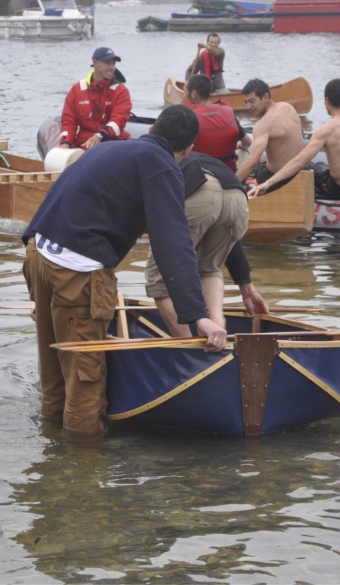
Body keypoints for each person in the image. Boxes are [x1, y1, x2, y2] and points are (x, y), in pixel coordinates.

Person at [22, 104, 228, 438]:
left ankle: (51, 457)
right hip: (76, 270)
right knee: (86, 380)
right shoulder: (162, 166)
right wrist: (197, 315)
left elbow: (57, 195)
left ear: (150, 130)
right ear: (188, 150)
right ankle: (82, 473)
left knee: (55, 372)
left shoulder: (110, 149)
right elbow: (173, 245)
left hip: (38, 253)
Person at [144, 151, 270, 337]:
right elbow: (231, 243)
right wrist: (247, 289)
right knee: (209, 267)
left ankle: (187, 347)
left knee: (159, 276)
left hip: (198, 193)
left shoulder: (155, 159)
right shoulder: (206, 157)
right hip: (236, 195)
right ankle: (218, 324)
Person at [248, 78, 340, 200]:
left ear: (327, 101)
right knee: (322, 167)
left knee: (316, 168)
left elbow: (300, 162)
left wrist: (268, 183)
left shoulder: (326, 131)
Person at [234, 78, 305, 188]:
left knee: (257, 167)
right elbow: (301, 133)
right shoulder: (288, 107)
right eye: (246, 102)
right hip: (301, 171)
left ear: (266, 97)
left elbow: (252, 162)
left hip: (278, 179)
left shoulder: (262, 125)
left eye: (252, 101)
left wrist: (231, 184)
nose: (248, 107)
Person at [57, 46, 133, 150]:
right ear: (95, 63)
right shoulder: (77, 89)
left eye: (113, 64)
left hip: (113, 143)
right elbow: (69, 121)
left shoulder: (121, 91)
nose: (111, 67)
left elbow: (119, 119)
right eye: (107, 63)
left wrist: (100, 136)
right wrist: (65, 142)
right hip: (84, 144)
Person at [182, 74, 251, 171]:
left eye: (185, 92)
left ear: (193, 94)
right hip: (229, 172)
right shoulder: (228, 111)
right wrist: (240, 146)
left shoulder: (188, 115)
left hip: (200, 175)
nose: (183, 96)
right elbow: (247, 142)